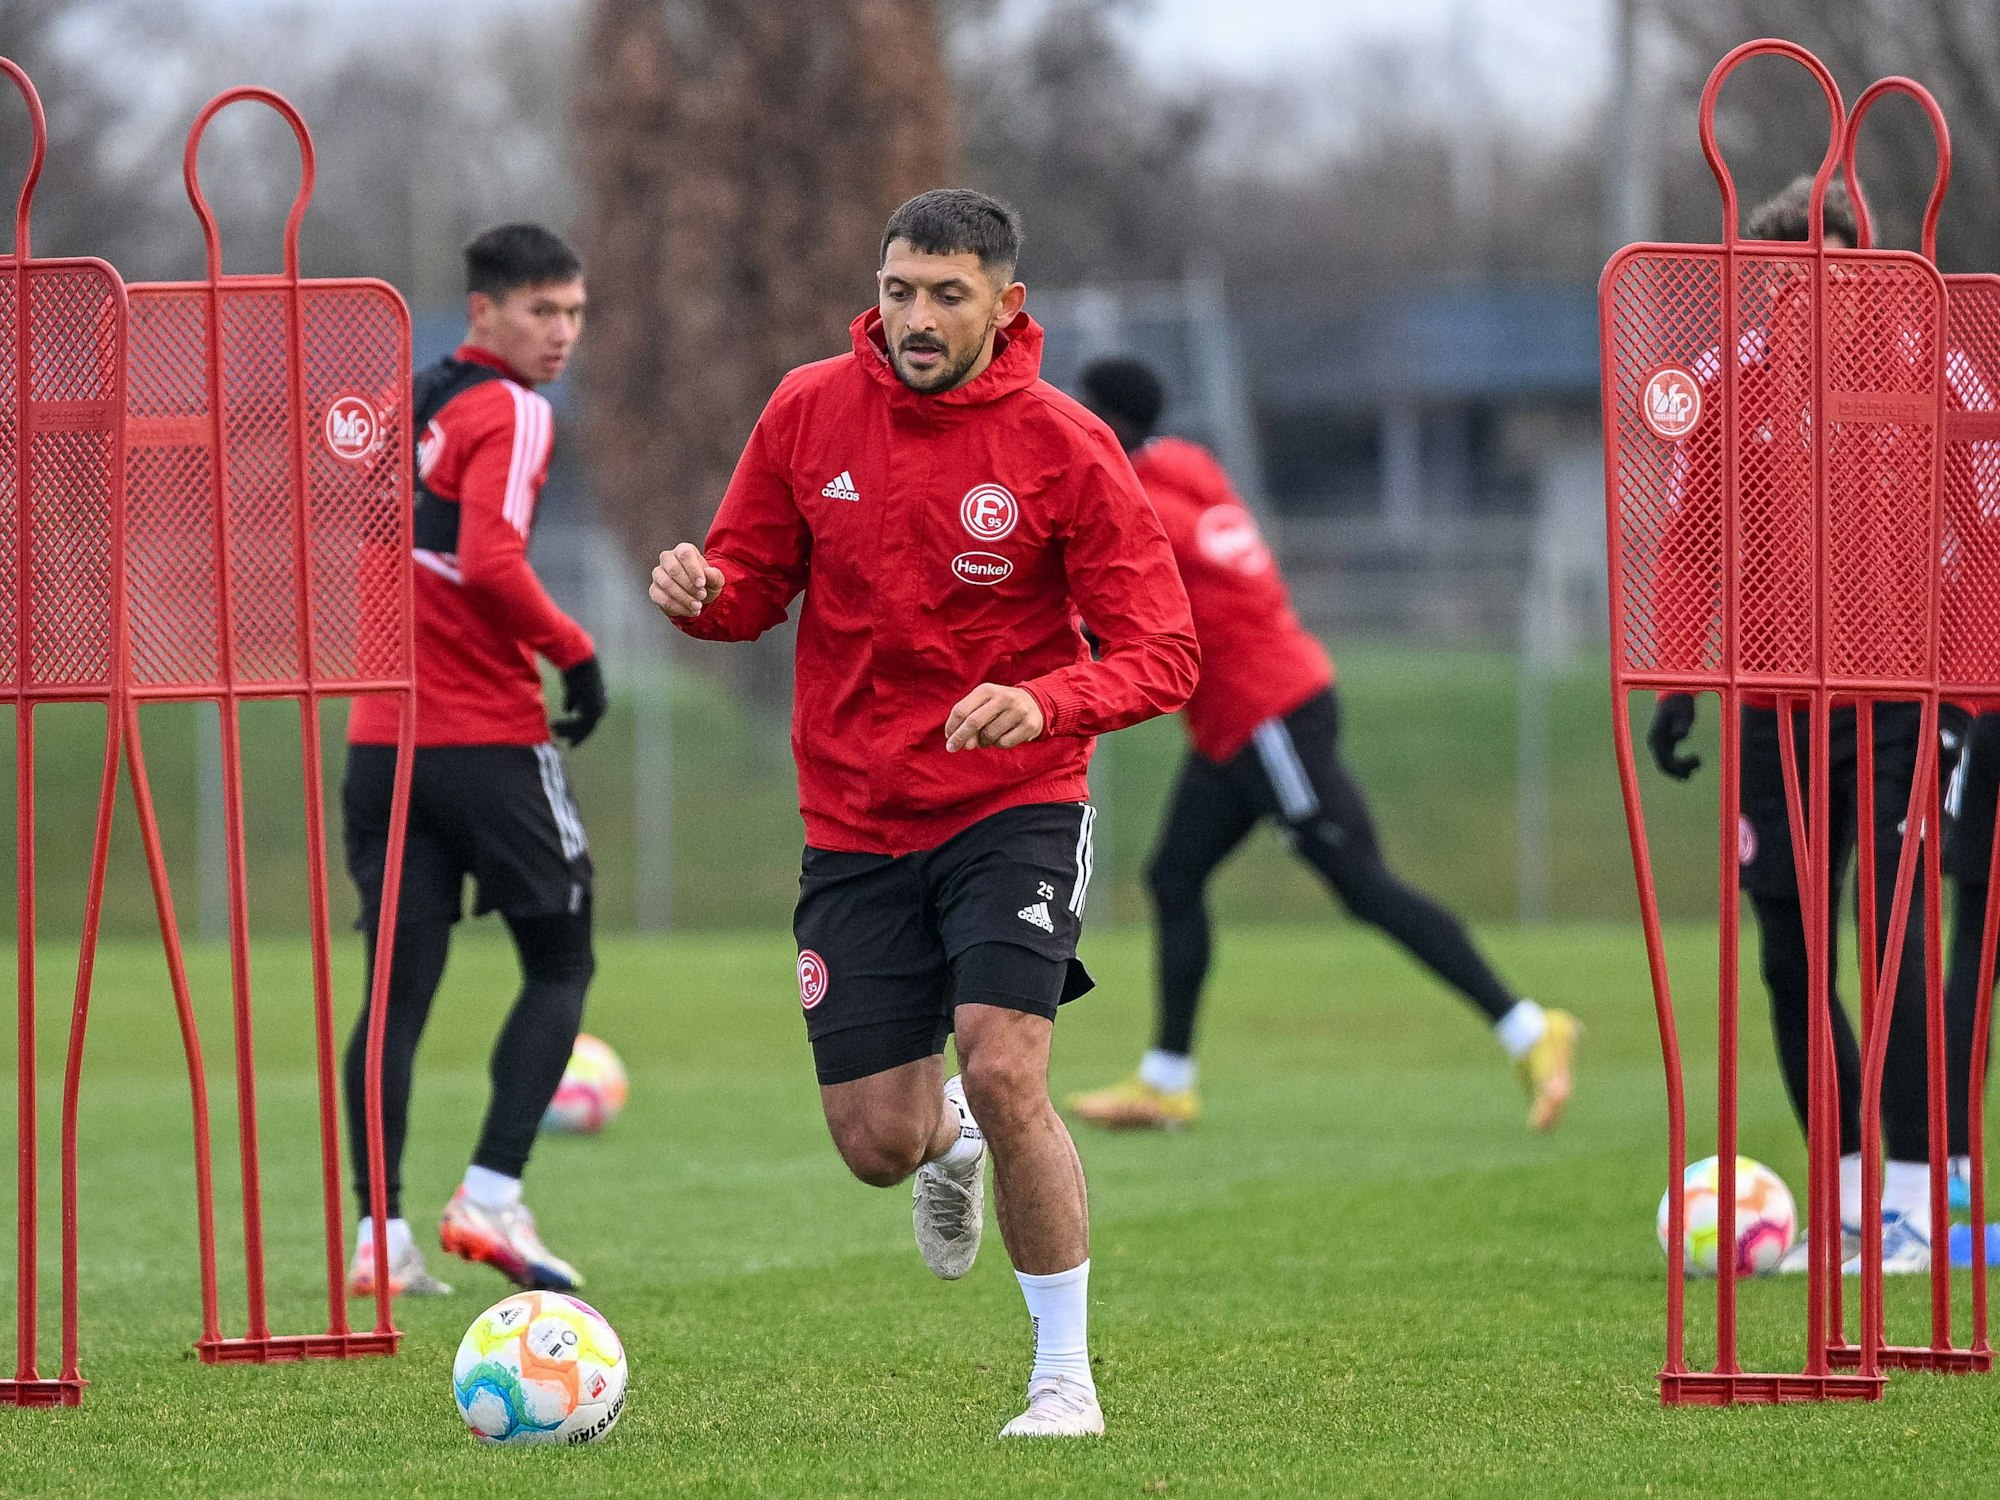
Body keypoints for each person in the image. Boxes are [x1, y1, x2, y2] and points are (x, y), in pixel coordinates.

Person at [650, 189, 1198, 1437]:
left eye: (946, 294)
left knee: (1006, 1064)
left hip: (1013, 804)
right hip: (852, 813)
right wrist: (701, 589)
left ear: (1005, 307)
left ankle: (1063, 1375)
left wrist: (1047, 701)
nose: (915, 315)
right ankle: (942, 1143)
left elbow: (1164, 653)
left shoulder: (1065, 445)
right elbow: (749, 588)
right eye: (899, 288)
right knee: (874, 1142)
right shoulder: (806, 410)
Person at [1062, 357, 1576, 1134]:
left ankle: (1531, 1029)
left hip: (1268, 715)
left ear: (1111, 425)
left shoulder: (1142, 506)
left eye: (1082, 414)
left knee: (1361, 882)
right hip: (1245, 719)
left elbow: (1104, 612)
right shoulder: (1183, 465)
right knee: (1174, 876)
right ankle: (1168, 1080)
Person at [1645, 176, 1936, 1272]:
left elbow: (1983, 513)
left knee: (1898, 939)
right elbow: (1684, 542)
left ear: (1860, 270)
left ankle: (1913, 1197)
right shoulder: (1729, 382)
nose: (1791, 296)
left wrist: (1962, 667)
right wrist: (1680, 679)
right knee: (1788, 957)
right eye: (1771, 277)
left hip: (1902, 702)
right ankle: (1850, 1202)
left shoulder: (1924, 365)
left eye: (1814, 273)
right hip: (1772, 708)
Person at [341, 223, 607, 1298]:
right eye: (542, 311)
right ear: (483, 308)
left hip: (379, 739)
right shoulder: (514, 409)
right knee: (561, 958)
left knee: (395, 994)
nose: (561, 334)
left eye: (575, 313)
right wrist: (576, 655)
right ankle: (490, 1195)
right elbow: (492, 561)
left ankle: (376, 1238)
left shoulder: (405, 403)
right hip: (488, 738)